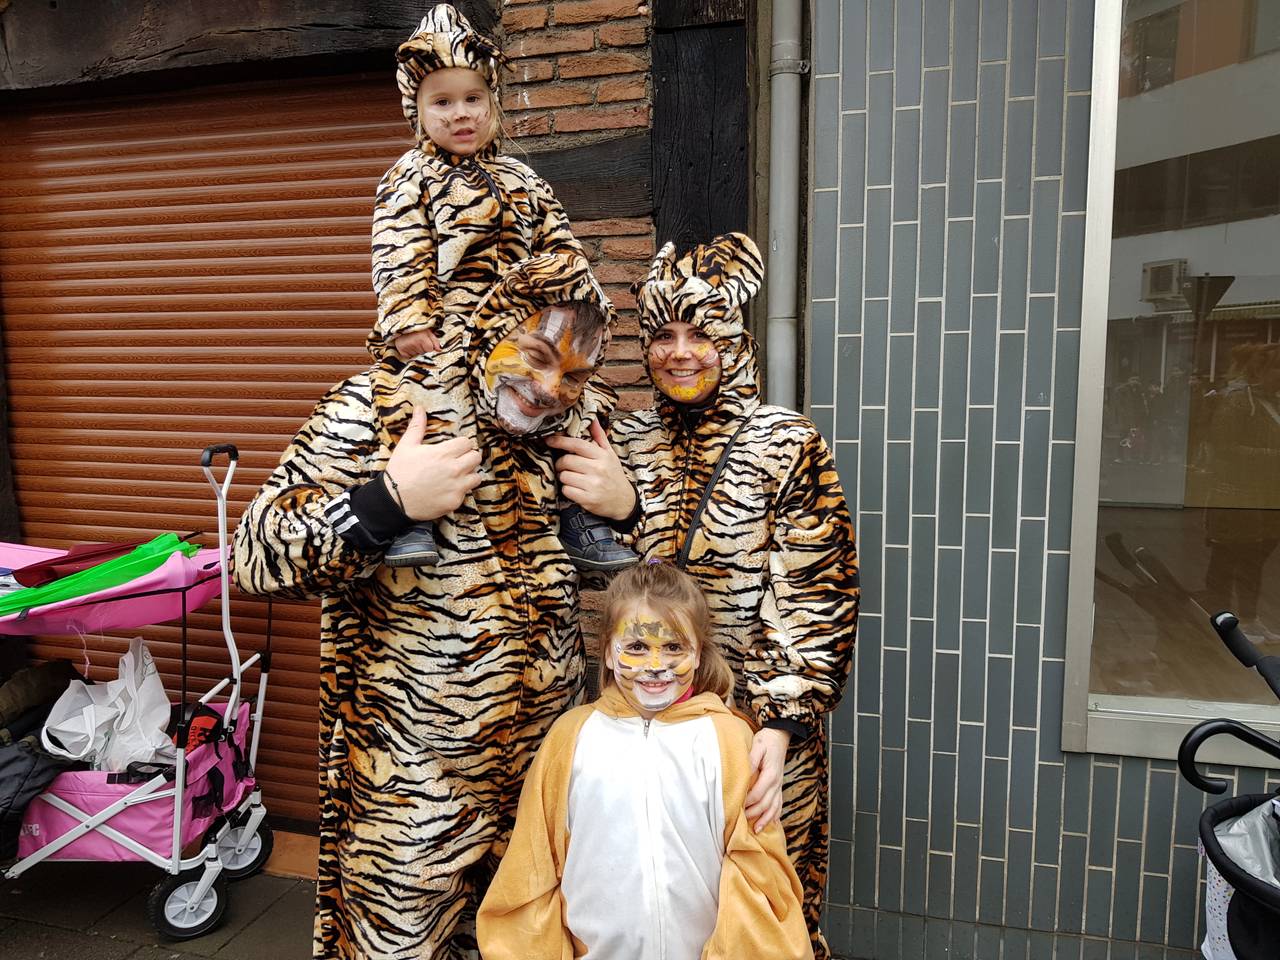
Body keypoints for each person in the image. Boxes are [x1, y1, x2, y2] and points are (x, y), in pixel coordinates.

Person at [233, 253, 622, 960]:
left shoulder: (579, 430)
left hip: (540, 782)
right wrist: (384, 504)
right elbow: (255, 557)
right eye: (535, 356)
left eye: (573, 375)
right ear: (490, 328)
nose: (547, 390)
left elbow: (655, 586)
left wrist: (625, 511)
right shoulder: (381, 405)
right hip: (410, 794)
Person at [554, 232, 859, 959]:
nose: (680, 352)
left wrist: (781, 728)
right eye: (663, 335)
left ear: (733, 339)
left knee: (763, 909)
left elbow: (818, 592)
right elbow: (607, 572)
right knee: (659, 900)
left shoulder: (785, 442)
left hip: (757, 728)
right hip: (652, 716)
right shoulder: (623, 439)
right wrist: (624, 511)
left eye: (701, 333)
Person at [371, 4, 634, 572]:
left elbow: (563, 250)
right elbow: (398, 250)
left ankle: (580, 516)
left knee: (580, 401)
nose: (461, 114)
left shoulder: (525, 180)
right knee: (426, 403)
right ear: (416, 110)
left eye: (473, 98)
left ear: (492, 102)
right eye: (442, 102)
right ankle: (415, 516)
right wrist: (409, 320)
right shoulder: (409, 178)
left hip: (525, 330)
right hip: (449, 329)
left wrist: (583, 319)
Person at [476, 561, 814, 960]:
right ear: (607, 653)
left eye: (674, 647)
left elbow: (760, 875)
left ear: (698, 653)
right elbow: (530, 875)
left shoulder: (729, 739)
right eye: (636, 647)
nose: (655, 666)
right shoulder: (569, 739)